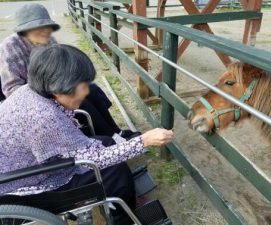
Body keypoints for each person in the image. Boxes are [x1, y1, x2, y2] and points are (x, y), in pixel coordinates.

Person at [0, 44, 173, 224]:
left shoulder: (30, 91)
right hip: (26, 187)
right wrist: (144, 141)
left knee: (105, 141)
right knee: (114, 171)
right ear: (58, 88)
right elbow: (96, 159)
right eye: (82, 85)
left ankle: (123, 199)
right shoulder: (43, 117)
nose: (87, 91)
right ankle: (124, 218)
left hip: (21, 170)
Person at [0, 3, 131, 137]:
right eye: (38, 28)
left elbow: (63, 67)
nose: (45, 31)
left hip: (54, 86)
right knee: (79, 98)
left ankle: (115, 131)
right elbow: (11, 88)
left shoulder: (49, 40)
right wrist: (52, 91)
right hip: (30, 95)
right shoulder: (10, 47)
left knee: (91, 89)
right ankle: (108, 136)